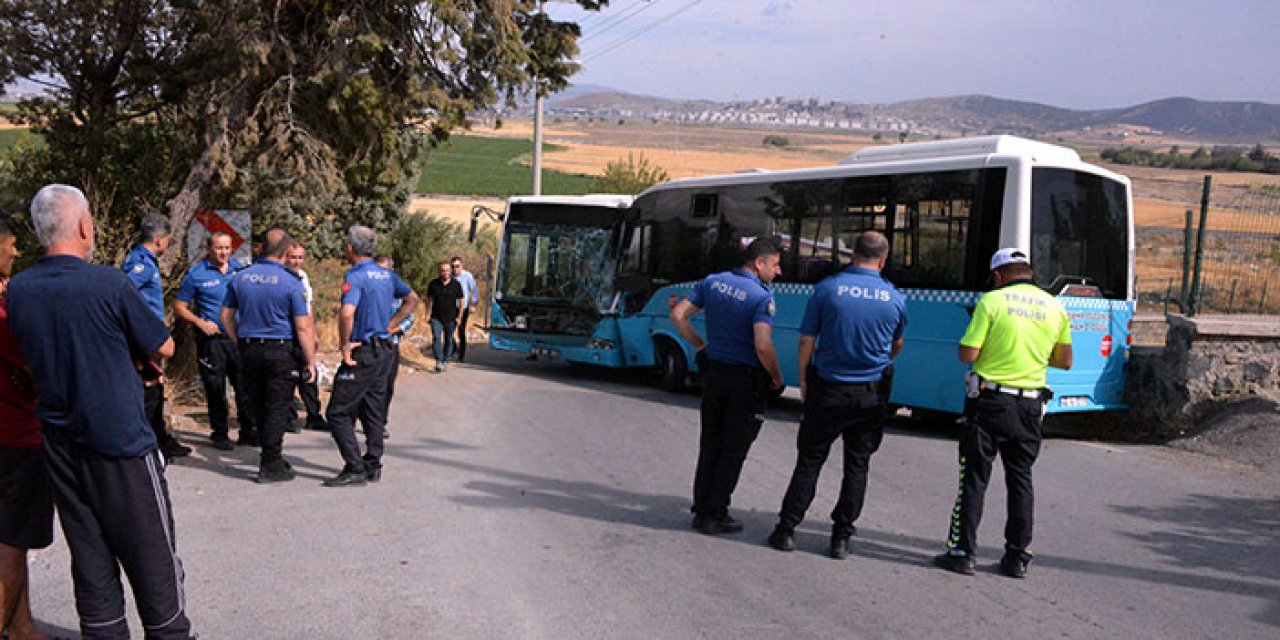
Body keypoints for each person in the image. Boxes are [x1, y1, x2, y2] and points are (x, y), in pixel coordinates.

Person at [9, 184, 193, 639]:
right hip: (122, 444)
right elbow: (164, 345)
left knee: (90, 558)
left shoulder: (20, 290)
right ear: (85, 227)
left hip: (60, 443)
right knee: (153, 560)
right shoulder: (110, 283)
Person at [766, 232, 907, 559]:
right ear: (883, 260)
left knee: (810, 461)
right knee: (857, 466)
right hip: (870, 395)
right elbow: (897, 343)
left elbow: (807, 341)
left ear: (852, 254)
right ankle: (841, 537)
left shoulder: (827, 289)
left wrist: (802, 378)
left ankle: (787, 530)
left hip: (828, 389)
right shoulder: (894, 298)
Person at [934, 248, 1073, 578]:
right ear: (1027, 272)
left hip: (991, 402)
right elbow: (1065, 361)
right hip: (1030, 407)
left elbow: (968, 353)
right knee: (1021, 480)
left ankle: (963, 552)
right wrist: (1033, 355)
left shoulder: (991, 302)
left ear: (998, 276)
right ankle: (1016, 557)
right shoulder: (1054, 306)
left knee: (974, 479)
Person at [670, 237, 784, 535]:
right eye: (775, 264)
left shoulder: (712, 282)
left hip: (714, 375)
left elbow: (678, 315)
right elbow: (762, 344)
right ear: (759, 263)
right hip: (744, 380)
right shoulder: (761, 297)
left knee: (710, 442)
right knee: (733, 448)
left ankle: (701, 508)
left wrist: (699, 345)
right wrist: (776, 375)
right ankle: (715, 513)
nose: (778, 271)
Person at [323, 228, 418, 487]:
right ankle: (373, 464)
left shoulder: (355, 276)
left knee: (337, 412)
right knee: (373, 409)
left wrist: (344, 346)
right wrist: (391, 325)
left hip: (363, 349)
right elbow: (412, 298)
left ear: (351, 248)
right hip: (385, 350)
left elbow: (346, 313)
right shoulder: (387, 274)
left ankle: (355, 467)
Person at [221, 228, 317, 483]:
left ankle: (270, 455)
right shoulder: (291, 282)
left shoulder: (240, 277)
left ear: (261, 248)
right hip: (279, 350)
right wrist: (310, 360)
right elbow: (303, 326)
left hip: (249, 348)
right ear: (286, 252)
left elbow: (226, 316)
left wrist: (239, 340)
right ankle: (270, 461)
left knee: (258, 403)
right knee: (276, 406)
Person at [0, 215, 55, 640]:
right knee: (11, 543)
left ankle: (22, 627)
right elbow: (38, 363)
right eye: (11, 244)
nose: (16, 252)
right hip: (14, 438)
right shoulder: (2, 314)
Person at [174, 231, 255, 450]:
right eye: (219, 248)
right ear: (209, 249)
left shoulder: (241, 270)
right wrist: (199, 322)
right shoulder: (196, 274)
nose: (223, 252)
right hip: (212, 341)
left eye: (227, 248)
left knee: (244, 386)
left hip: (238, 338)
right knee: (215, 388)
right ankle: (219, 433)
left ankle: (248, 431)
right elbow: (179, 307)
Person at [122, 214, 191, 459]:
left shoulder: (147, 261)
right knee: (149, 390)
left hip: (150, 335)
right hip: (144, 338)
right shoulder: (139, 264)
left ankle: (160, 438)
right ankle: (149, 445)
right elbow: (125, 294)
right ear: (160, 240)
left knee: (156, 389)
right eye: (168, 241)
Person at [285, 243, 327, 432]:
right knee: (288, 377)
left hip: (304, 334)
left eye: (300, 257)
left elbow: (308, 307)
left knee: (309, 375)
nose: (297, 261)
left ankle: (314, 415)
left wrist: (313, 333)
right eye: (293, 257)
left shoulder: (303, 277)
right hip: (287, 334)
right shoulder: (282, 277)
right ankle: (289, 418)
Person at [375, 255, 416, 414]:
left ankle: (380, 420)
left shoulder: (398, 292)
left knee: (386, 385)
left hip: (390, 344)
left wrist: (395, 328)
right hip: (369, 345)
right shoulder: (369, 289)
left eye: (384, 270)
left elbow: (410, 317)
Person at [424, 261, 464, 373]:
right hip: (436, 317)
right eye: (442, 270)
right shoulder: (433, 284)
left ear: (450, 271)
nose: (445, 272)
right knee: (436, 337)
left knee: (448, 339)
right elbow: (428, 299)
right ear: (439, 271)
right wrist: (427, 314)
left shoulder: (456, 284)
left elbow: (461, 301)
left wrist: (459, 317)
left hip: (451, 318)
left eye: (447, 270)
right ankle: (438, 361)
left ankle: (446, 360)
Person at [450, 256, 478, 362]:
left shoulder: (467, 276)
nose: (455, 269)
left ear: (461, 266)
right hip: (451, 307)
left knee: (461, 330)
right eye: (453, 266)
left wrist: (474, 304)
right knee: (448, 329)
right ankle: (453, 348)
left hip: (463, 307)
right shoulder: (449, 276)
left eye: (457, 266)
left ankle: (461, 355)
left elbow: (474, 291)